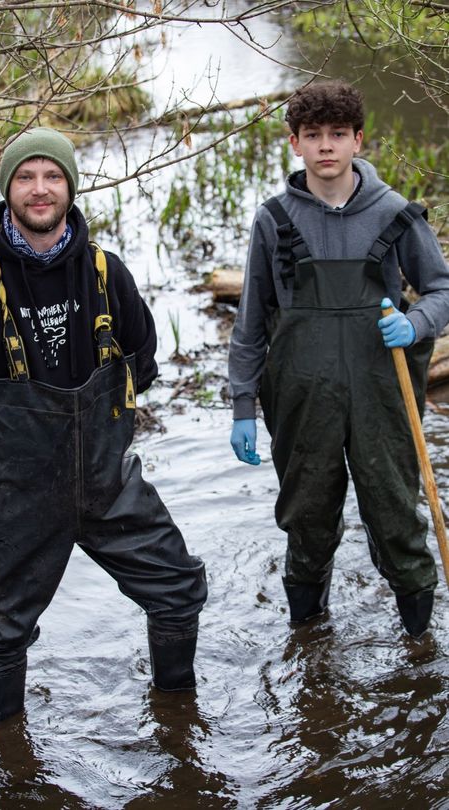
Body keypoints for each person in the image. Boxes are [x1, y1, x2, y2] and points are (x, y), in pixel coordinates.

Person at [0, 127, 207, 722]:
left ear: (70, 187)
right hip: (13, 497)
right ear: (8, 189)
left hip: (107, 484)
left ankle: (177, 717)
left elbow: (142, 362)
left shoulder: (106, 272)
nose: (39, 189)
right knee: (3, 629)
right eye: (26, 177)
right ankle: (8, 749)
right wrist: (2, 437)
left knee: (177, 587)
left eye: (52, 176)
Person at [228, 81, 449, 638]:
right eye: (313, 135)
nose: (326, 146)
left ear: (358, 140)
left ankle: (418, 644)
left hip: (382, 396)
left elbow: (442, 289)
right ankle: (309, 639)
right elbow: (251, 322)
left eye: (338, 134)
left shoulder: (396, 213)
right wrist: (242, 406)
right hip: (302, 399)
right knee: (306, 520)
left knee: (396, 517)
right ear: (295, 143)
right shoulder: (273, 219)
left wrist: (416, 323)